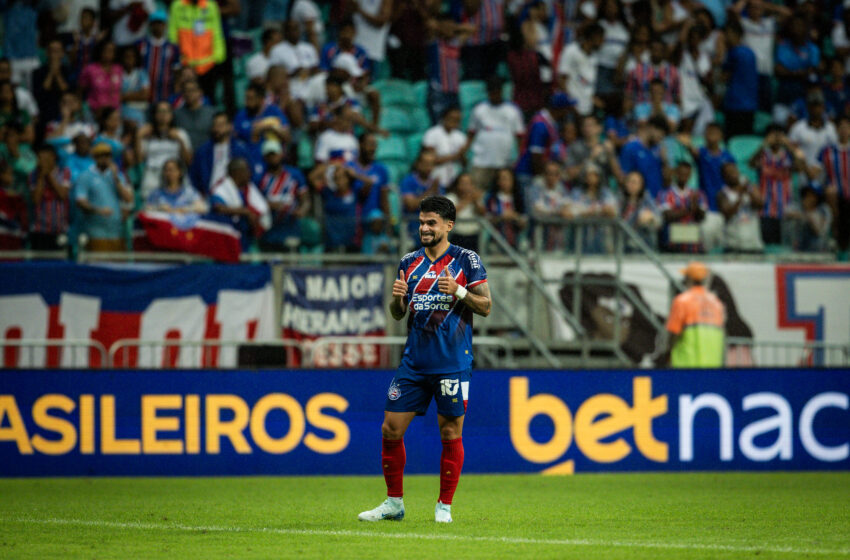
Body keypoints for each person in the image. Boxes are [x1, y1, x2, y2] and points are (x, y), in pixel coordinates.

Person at [358, 194, 491, 524]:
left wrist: (459, 292)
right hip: (414, 363)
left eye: (431, 223)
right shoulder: (409, 262)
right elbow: (398, 313)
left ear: (449, 225)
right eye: (421, 223)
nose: (424, 228)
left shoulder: (466, 260)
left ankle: (444, 505)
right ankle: (393, 503)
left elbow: (486, 306)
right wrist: (396, 301)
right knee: (390, 429)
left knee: (450, 434)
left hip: (452, 363)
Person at [467, 77, 525, 192]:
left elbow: (519, 137)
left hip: (504, 162)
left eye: (497, 92)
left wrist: (518, 158)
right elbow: (471, 134)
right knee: (476, 192)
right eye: (491, 92)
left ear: (501, 91)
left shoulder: (513, 110)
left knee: (502, 195)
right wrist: (465, 153)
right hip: (481, 161)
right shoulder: (479, 109)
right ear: (488, 92)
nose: (494, 95)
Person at [74, 142, 134, 252]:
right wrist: (98, 210)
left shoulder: (117, 175)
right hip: (96, 231)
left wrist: (116, 178)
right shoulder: (86, 176)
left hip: (116, 230)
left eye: (108, 155)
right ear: (95, 157)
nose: (105, 159)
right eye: (102, 155)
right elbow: (80, 201)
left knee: (117, 266)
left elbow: (128, 199)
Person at [665, 261, 726, 368]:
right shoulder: (717, 303)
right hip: (712, 366)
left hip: (687, 366)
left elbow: (673, 333)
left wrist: (667, 355)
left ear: (689, 279)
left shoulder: (682, 301)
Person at [168, 0, 227, 107]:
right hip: (185, 65)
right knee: (182, 98)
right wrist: (177, 58)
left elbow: (217, 32)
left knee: (208, 99)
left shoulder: (210, 5)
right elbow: (173, 34)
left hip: (207, 65)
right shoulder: (178, 5)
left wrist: (218, 57)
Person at [210, 157, 272, 250]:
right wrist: (245, 212)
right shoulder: (222, 188)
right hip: (226, 239)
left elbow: (262, 209)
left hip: (246, 238)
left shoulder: (248, 188)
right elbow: (218, 208)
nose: (250, 173)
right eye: (246, 170)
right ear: (237, 173)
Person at [190, 111, 257, 195]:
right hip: (209, 194)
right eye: (215, 125)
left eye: (220, 125)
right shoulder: (203, 151)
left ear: (230, 126)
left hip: (234, 195)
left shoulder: (241, 150)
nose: (217, 129)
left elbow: (251, 174)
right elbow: (194, 177)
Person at [29, 145, 71, 251]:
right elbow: (36, 200)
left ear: (53, 157)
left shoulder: (64, 172)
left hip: (59, 228)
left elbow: (62, 195)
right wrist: (41, 177)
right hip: (40, 230)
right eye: (39, 158)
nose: (42, 161)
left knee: (60, 265)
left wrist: (49, 176)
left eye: (45, 158)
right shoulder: (33, 175)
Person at [137, 9, 182, 104]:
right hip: (142, 94)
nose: (158, 27)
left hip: (166, 93)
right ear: (150, 25)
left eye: (160, 23)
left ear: (165, 25)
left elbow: (177, 71)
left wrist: (176, 91)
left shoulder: (172, 48)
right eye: (155, 23)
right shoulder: (141, 45)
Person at [423, 106, 468, 190]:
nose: (454, 121)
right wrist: (456, 155)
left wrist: (462, 156)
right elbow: (432, 160)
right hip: (436, 179)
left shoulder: (461, 136)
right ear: (444, 117)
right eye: (451, 118)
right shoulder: (432, 133)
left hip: (455, 181)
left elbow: (464, 163)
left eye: (457, 119)